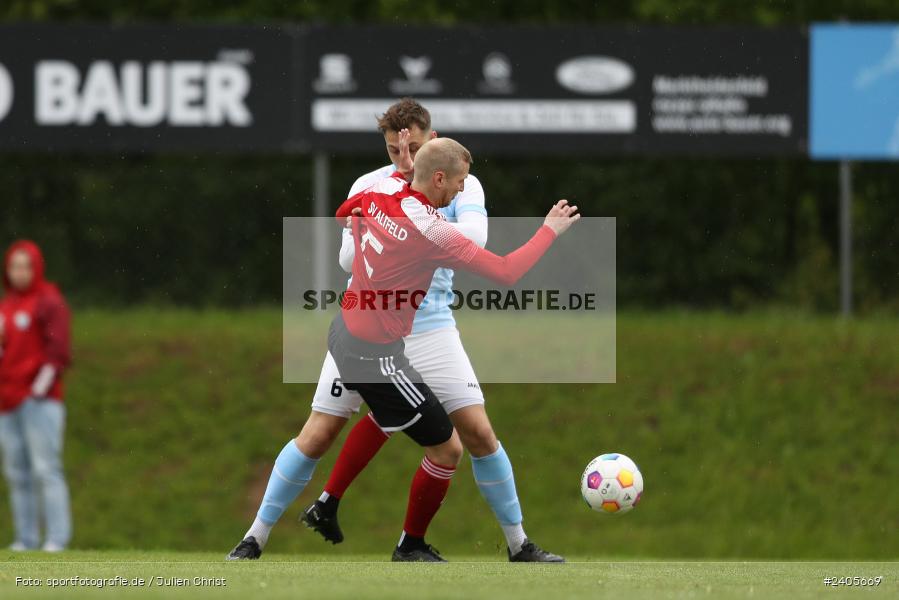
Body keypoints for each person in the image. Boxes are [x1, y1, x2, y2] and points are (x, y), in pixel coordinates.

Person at [300, 102, 563, 562]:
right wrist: (548, 232)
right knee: (447, 449)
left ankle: (328, 503)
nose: (463, 190)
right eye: (460, 182)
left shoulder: (379, 194)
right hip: (374, 351)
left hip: (346, 329)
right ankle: (410, 544)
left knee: (390, 416)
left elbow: (345, 215)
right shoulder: (431, 230)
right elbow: (503, 273)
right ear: (439, 179)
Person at [0, 240, 73, 552]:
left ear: (36, 267)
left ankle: (56, 538)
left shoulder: (49, 301)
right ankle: (25, 539)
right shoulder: (5, 306)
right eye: (14, 266)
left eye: (25, 266)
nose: (19, 273)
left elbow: (59, 353)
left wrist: (36, 391)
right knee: (17, 472)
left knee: (46, 469)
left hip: (38, 402)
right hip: (6, 400)